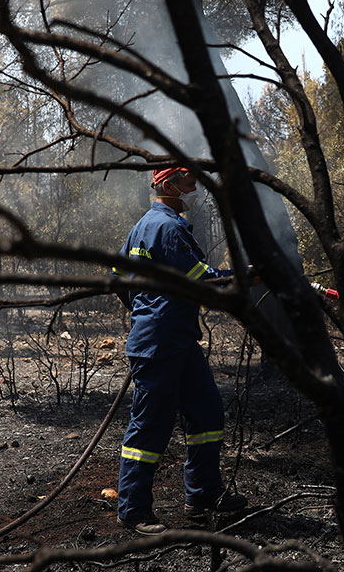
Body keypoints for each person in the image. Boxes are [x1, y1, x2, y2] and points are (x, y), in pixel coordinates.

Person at [114, 166, 247, 535]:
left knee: (207, 411)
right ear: (168, 185)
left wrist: (143, 309)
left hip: (178, 341)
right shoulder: (168, 228)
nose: (195, 190)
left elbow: (118, 278)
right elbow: (201, 279)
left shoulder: (144, 225)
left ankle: (203, 494)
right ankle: (133, 510)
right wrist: (242, 277)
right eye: (190, 183)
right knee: (150, 427)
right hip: (159, 344)